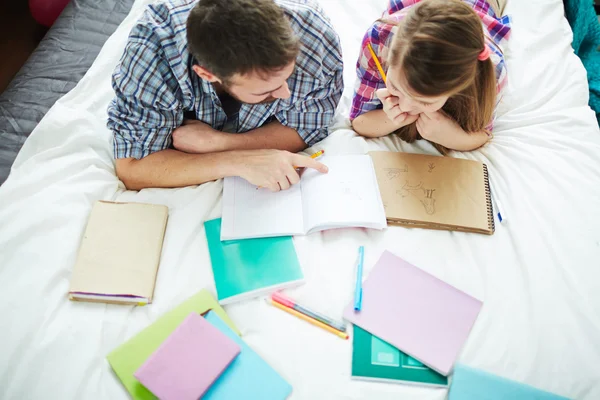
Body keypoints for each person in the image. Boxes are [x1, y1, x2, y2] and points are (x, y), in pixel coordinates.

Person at [107, 0, 343, 191]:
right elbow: (133, 167)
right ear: (207, 74)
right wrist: (238, 162)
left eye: (288, 75)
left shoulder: (315, 36)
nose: (285, 92)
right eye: (266, 90)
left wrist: (220, 143)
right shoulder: (153, 53)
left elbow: (307, 125)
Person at [350, 0, 511, 155]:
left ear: (458, 89)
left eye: (425, 101)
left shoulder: (492, 69)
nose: (405, 107)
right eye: (395, 86)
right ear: (389, 57)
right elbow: (359, 121)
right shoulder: (378, 39)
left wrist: (453, 137)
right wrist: (391, 119)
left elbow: (483, 133)